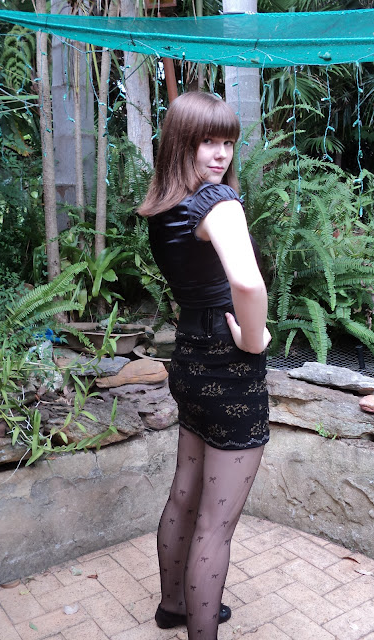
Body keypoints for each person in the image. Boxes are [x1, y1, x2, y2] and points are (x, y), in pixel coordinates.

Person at [138, 91, 271, 640]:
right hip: (228, 365)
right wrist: (255, 341)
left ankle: (173, 606)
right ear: (181, 143)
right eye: (207, 141)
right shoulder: (217, 202)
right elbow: (247, 284)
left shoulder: (165, 206)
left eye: (228, 142)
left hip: (189, 359)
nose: (221, 153)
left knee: (184, 495)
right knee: (215, 524)